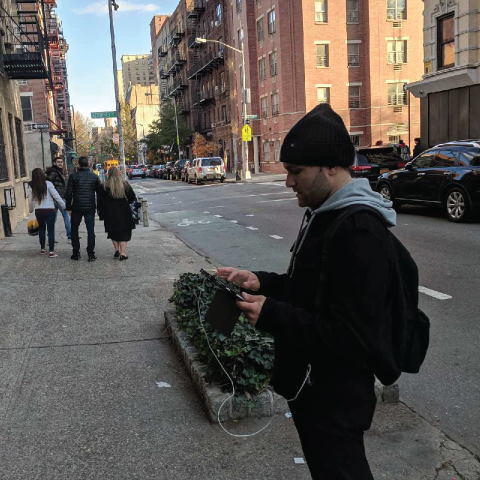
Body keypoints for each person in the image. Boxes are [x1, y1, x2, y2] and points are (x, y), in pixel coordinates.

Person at [217, 104, 399, 479]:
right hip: (313, 388)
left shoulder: (360, 231)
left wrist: (271, 314)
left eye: (295, 171)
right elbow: (310, 290)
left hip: (335, 397)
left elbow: (351, 335)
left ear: (330, 166)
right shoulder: (324, 215)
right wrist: (261, 281)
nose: (288, 182)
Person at [65, 156, 103, 262]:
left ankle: (76, 253)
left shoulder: (73, 176)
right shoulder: (94, 177)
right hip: (90, 207)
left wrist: (68, 207)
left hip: (77, 206)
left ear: (79, 165)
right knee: (90, 230)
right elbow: (99, 193)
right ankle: (91, 253)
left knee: (74, 229)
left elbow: (68, 194)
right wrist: (99, 208)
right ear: (88, 165)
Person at [99, 166, 137, 261]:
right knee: (124, 232)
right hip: (124, 211)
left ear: (109, 174)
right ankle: (123, 253)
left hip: (109, 212)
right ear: (119, 173)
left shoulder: (104, 185)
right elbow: (132, 197)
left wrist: (101, 212)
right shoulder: (124, 184)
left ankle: (116, 250)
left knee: (113, 231)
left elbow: (100, 201)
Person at [28, 168, 66, 258]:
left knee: (41, 229)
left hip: (39, 210)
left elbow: (30, 200)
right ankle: (52, 251)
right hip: (50, 210)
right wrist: (64, 206)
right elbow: (56, 197)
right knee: (51, 230)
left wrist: (31, 209)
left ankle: (42, 249)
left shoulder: (31, 185)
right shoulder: (48, 184)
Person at [46, 156, 71, 243]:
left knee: (53, 219)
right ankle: (70, 237)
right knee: (66, 216)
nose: (60, 163)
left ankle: (50, 238)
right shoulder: (54, 172)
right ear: (54, 163)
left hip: (57, 197)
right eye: (58, 162)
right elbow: (48, 182)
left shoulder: (59, 172)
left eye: (61, 162)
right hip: (58, 198)